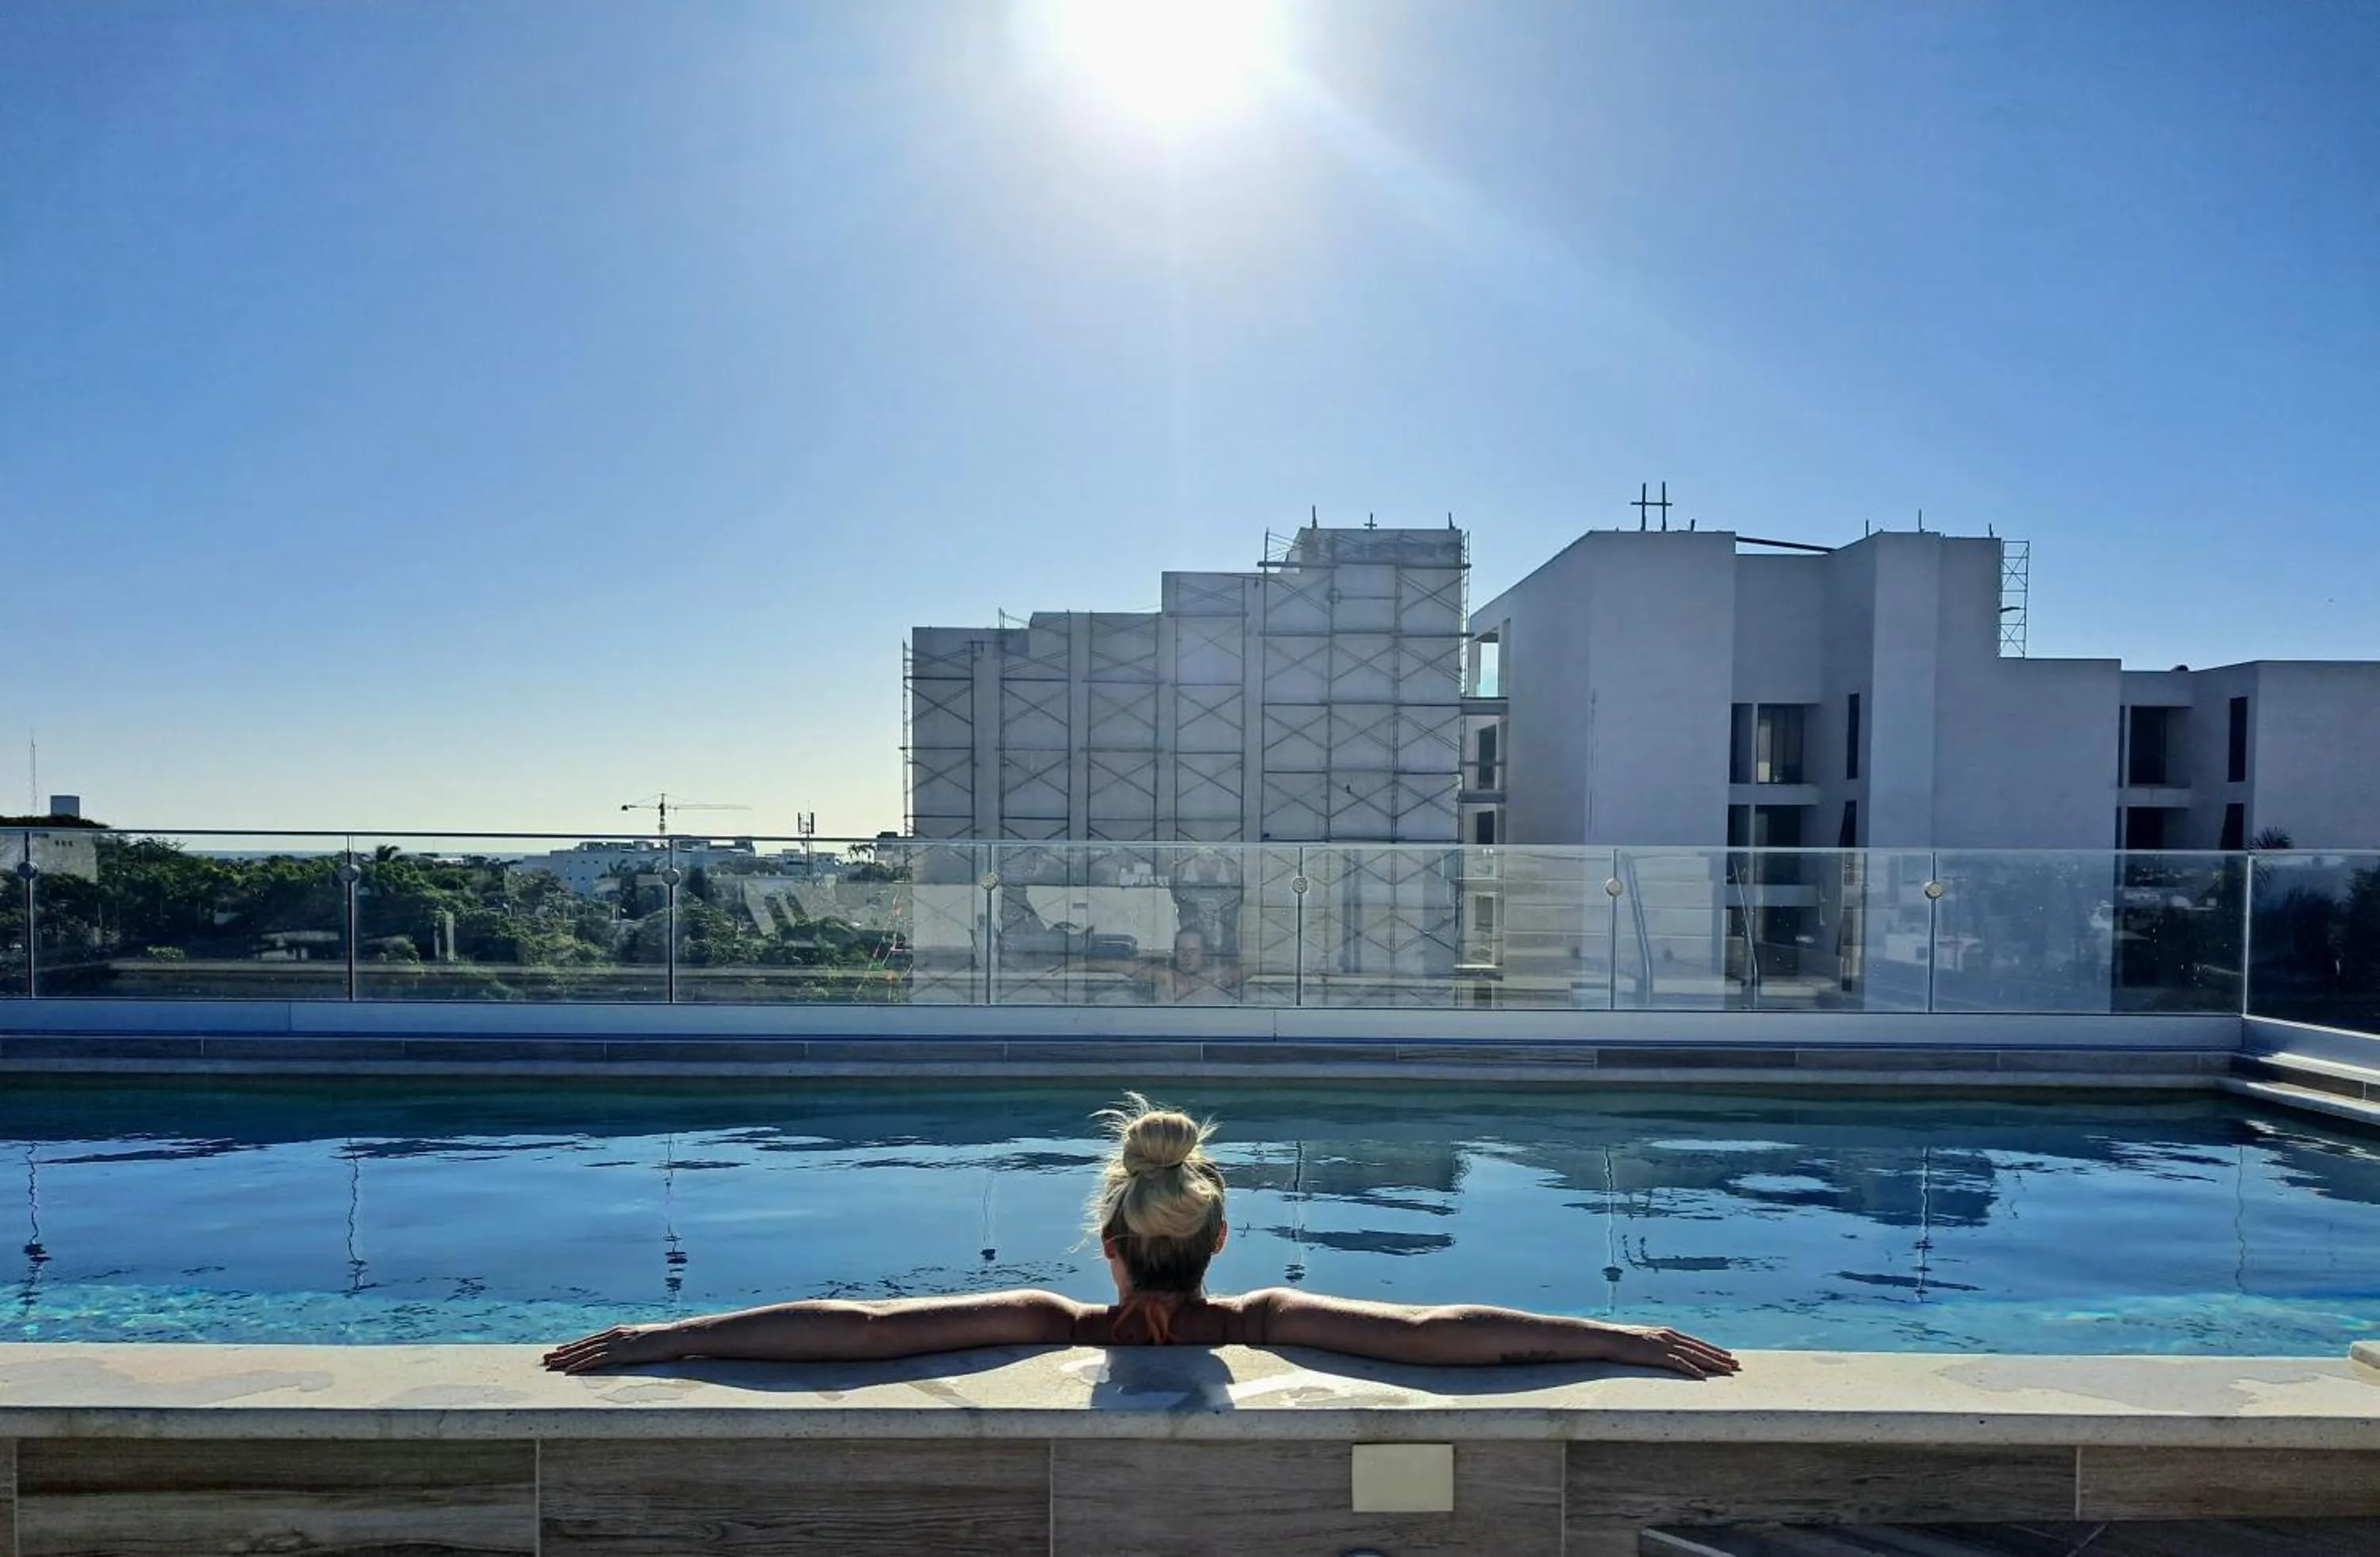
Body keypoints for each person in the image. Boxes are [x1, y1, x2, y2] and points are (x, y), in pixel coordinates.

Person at [543, 1094, 1739, 1379]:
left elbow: (856, 1330)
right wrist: (1618, 1336)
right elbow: (1435, 1331)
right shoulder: (1267, 1317)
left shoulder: (1045, 1318)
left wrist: (670, 1336)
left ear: (1109, 1242)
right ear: (1218, 1240)